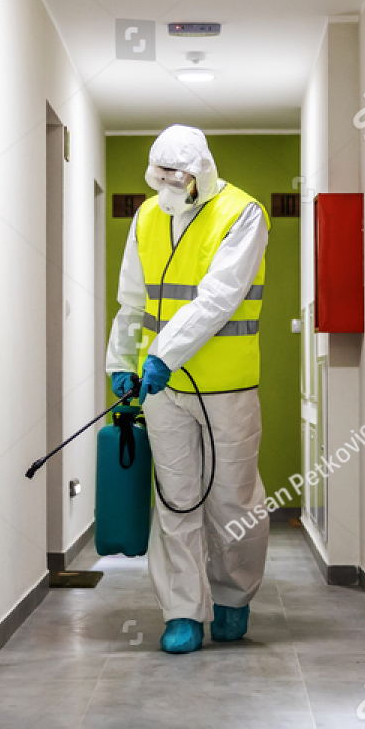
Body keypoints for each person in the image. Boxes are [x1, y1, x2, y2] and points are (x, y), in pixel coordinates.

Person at [106, 125, 271, 654]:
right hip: (162, 389)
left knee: (232, 500)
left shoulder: (242, 214)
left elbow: (217, 299)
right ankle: (182, 612)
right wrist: (121, 362)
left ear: (201, 175)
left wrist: (162, 355)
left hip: (227, 386)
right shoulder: (148, 217)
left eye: (177, 180)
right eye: (160, 180)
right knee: (175, 500)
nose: (168, 190)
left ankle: (232, 598)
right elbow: (133, 301)